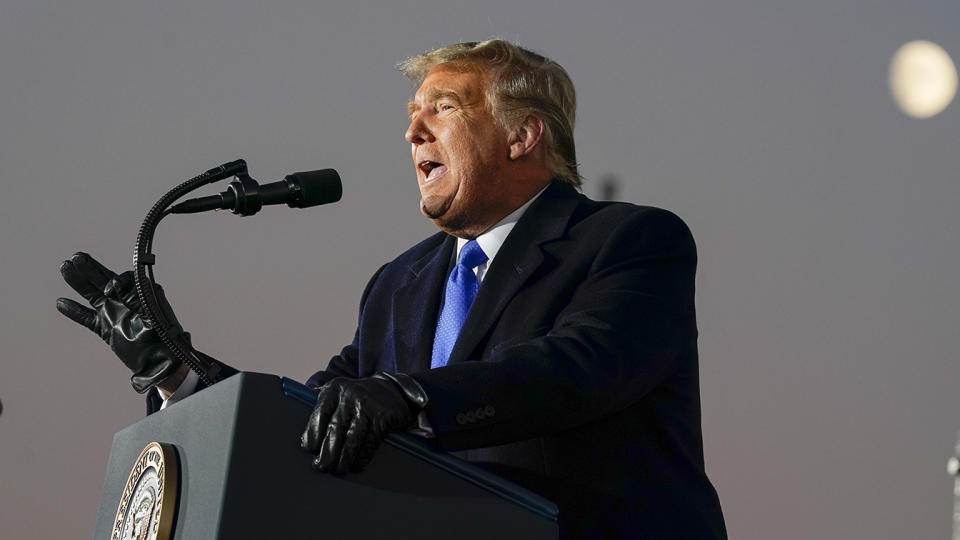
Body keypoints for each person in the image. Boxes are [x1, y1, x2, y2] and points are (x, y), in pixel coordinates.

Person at [58, 39, 726, 539]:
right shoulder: (398, 285)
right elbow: (318, 415)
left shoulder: (630, 241)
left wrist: (409, 395)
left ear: (522, 136)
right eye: (411, 116)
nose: (412, 134)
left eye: (443, 109)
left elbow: (580, 367)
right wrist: (178, 373)